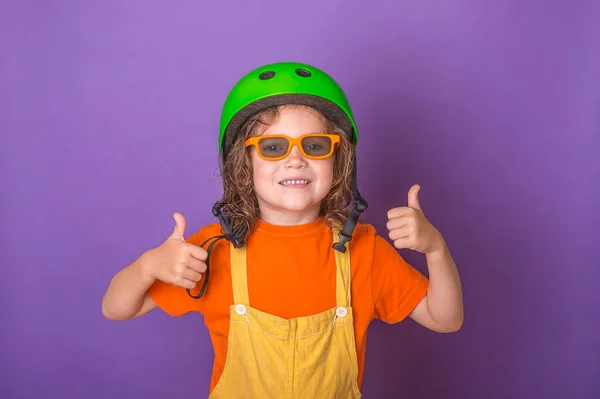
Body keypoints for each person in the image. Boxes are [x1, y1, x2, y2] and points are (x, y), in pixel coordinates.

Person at [102, 62, 464, 398]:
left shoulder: (365, 250)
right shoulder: (213, 249)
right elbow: (116, 309)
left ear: (339, 161)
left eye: (315, 145)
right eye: (273, 147)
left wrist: (435, 248)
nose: (296, 158)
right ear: (243, 164)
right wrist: (150, 264)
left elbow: (445, 319)